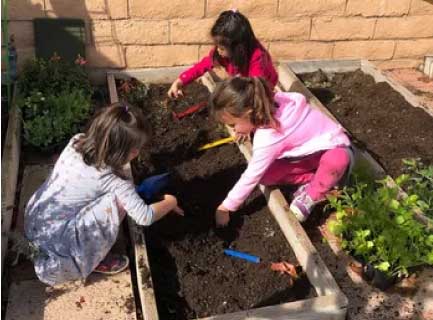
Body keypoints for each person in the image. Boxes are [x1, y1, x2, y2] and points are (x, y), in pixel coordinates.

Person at [24, 103, 183, 286]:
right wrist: (170, 202)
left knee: (114, 196)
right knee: (117, 203)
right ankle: (92, 259)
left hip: (36, 222)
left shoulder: (77, 141)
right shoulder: (114, 181)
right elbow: (144, 216)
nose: (137, 152)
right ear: (125, 152)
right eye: (135, 148)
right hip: (60, 256)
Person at [210, 77, 353, 225]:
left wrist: (226, 207)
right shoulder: (275, 101)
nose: (233, 130)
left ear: (249, 113)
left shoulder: (268, 139)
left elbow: (250, 176)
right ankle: (314, 179)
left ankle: (313, 193)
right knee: (266, 175)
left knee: (338, 158)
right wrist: (246, 128)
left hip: (332, 148)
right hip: (305, 156)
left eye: (234, 125)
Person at [168, 9, 278, 98]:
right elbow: (203, 65)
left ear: (238, 48)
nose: (218, 50)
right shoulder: (225, 52)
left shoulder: (257, 58)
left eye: (221, 48)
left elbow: (255, 90)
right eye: (217, 46)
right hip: (244, 81)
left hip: (263, 87)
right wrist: (180, 81)